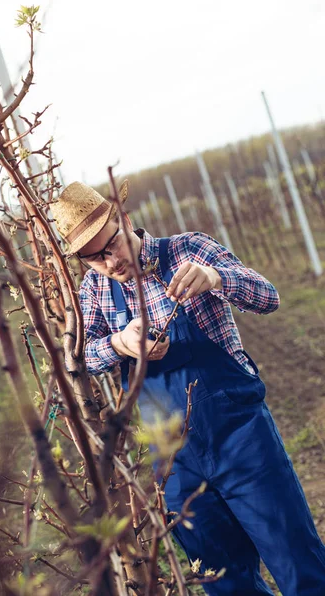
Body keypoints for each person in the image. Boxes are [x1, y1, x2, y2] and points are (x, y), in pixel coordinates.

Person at [51, 180, 325, 596]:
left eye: (113, 246)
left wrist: (216, 277)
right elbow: (81, 358)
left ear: (125, 220)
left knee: (296, 560)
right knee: (222, 580)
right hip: (174, 462)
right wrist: (121, 343)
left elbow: (268, 297)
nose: (110, 262)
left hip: (242, 438)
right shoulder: (95, 291)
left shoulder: (188, 249)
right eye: (94, 259)